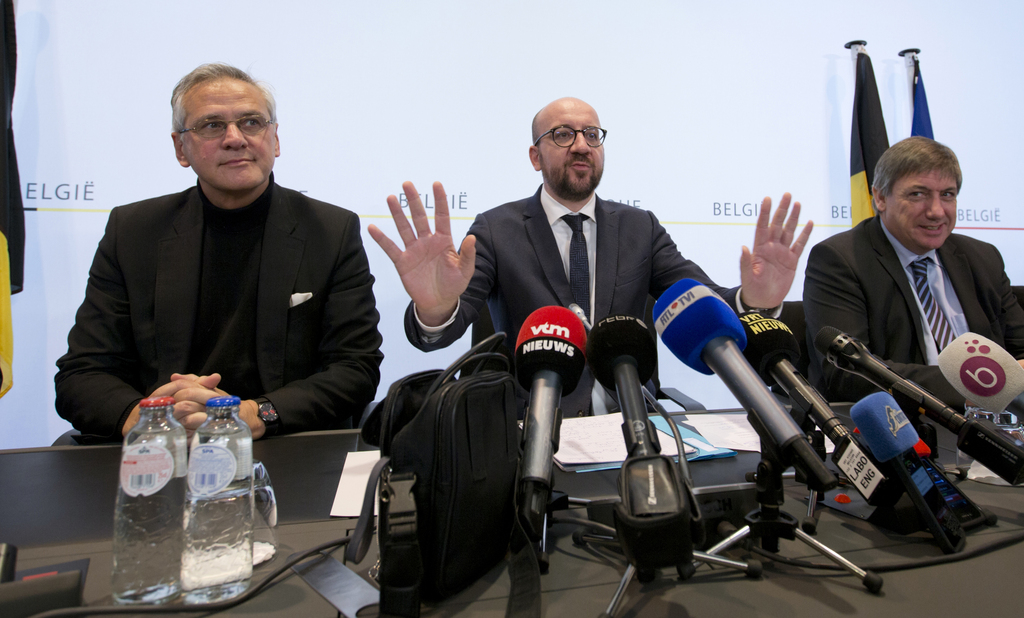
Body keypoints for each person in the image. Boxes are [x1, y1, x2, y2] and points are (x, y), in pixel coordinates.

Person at [369, 97, 811, 416]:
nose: (581, 144)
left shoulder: (640, 227)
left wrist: (753, 302)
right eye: (562, 134)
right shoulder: (495, 229)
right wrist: (435, 306)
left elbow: (699, 298)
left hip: (634, 419)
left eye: (592, 134)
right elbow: (445, 330)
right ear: (534, 156)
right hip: (532, 423)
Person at [55, 63, 384, 441]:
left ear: (275, 140)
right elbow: (82, 373)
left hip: (283, 443)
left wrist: (251, 414)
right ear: (181, 147)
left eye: (251, 122)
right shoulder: (133, 231)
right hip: (163, 446)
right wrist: (147, 418)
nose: (235, 138)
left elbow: (355, 369)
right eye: (212, 125)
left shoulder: (330, 231)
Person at [803, 136, 1024, 407]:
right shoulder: (840, 260)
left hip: (995, 425)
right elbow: (847, 372)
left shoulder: (983, 257)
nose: (936, 211)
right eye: (917, 194)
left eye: (947, 195)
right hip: (905, 424)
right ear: (881, 197)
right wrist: (980, 384)